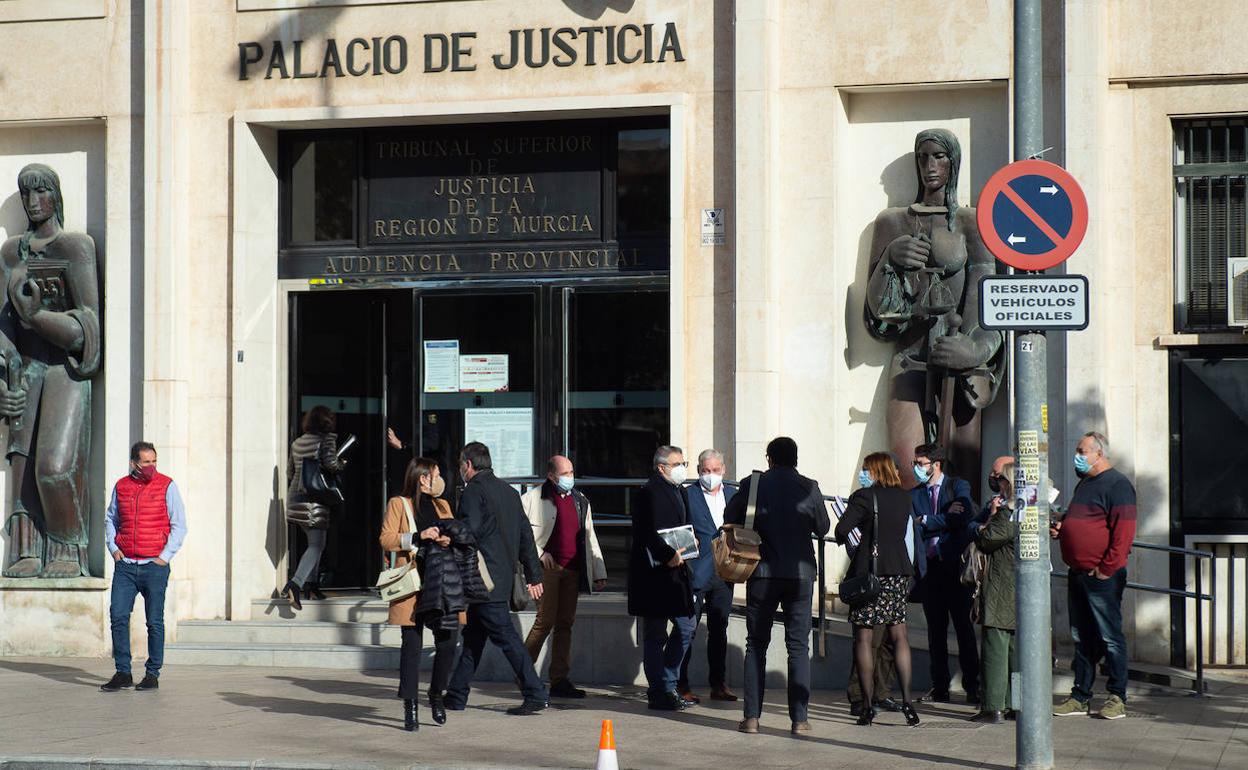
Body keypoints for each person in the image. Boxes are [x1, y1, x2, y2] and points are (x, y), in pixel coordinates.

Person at [1, 163, 103, 578]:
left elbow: (87, 328)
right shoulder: (11, 253)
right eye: (26, 193)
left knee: (54, 467)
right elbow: (3, 327)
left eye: (41, 191)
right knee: (22, 469)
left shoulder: (76, 247)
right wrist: (2, 380)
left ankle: (66, 547)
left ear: (55, 196)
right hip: (27, 368)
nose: (32, 201)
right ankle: (27, 550)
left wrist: (37, 316)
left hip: (65, 369)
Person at [725, 437, 831, 735]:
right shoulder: (810, 486)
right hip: (800, 575)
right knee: (798, 646)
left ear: (769, 458)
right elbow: (823, 527)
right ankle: (800, 720)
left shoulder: (753, 484)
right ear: (795, 459)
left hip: (763, 573)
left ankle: (751, 718)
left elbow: (729, 517)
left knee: (756, 644)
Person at [444, 442, 548, 716]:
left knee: (507, 639)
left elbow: (469, 530)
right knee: (473, 639)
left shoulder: (473, 491)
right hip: (501, 579)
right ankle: (456, 695)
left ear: (468, 464)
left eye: (460, 464)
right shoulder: (509, 492)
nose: (460, 470)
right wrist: (533, 574)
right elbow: (526, 535)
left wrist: (447, 532)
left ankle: (535, 692)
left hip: (483, 580)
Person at [380, 457, 484, 731]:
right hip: (413, 584)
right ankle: (410, 706)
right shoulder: (399, 503)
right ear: (423, 477)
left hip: (442, 583)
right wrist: (418, 536)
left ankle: (436, 693)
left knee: (447, 643)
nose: (440, 480)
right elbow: (386, 538)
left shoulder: (442, 505)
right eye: (436, 474)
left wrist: (449, 538)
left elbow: (455, 535)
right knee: (411, 647)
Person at [1051, 431, 1137, 721]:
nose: (1077, 456)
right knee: (1082, 638)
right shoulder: (1085, 483)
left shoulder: (1118, 485)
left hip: (1101, 577)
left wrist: (1105, 569)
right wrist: (1063, 529)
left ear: (1099, 454)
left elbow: (1123, 534)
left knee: (1110, 637)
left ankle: (1117, 696)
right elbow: (1084, 522)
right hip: (1078, 573)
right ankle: (1080, 696)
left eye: (1082, 451)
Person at [836, 452, 920, 727]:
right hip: (898, 571)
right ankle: (908, 702)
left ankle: (867, 706)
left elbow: (842, 530)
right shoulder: (904, 497)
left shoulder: (864, 496)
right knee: (899, 636)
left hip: (871, 574)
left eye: (865, 469)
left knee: (864, 638)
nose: (863, 473)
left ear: (874, 470)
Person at [100, 442, 187, 692]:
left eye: (154, 461)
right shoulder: (121, 486)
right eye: (146, 462)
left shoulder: (167, 485)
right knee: (118, 616)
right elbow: (111, 519)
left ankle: (152, 674)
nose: (151, 466)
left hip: (154, 566)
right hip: (126, 565)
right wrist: (114, 549)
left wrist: (164, 557)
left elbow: (179, 524)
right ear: (134, 463)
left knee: (154, 621)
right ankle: (123, 672)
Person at [522, 454, 608, 699]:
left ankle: (559, 679)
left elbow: (590, 536)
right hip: (547, 570)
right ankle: (523, 672)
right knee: (544, 621)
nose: (570, 477)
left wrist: (599, 571)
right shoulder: (531, 499)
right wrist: (540, 553)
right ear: (551, 476)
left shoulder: (580, 500)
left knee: (565, 623)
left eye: (571, 472)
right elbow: (521, 534)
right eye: (565, 473)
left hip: (573, 568)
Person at [627, 445, 697, 712]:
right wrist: (667, 554)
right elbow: (645, 532)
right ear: (661, 467)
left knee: (687, 627)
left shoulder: (681, 491)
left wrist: (692, 543)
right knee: (655, 634)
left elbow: (686, 525)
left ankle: (668, 683)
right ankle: (659, 691)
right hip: (654, 574)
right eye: (677, 464)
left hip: (678, 574)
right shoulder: (647, 493)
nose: (682, 469)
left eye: (683, 464)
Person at [911, 442, 979, 703]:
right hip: (930, 569)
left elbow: (962, 517)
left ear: (936, 465)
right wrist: (943, 520)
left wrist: (928, 520)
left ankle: (973, 686)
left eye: (920, 464)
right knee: (935, 631)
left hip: (956, 568)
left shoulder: (957, 487)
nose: (916, 468)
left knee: (963, 627)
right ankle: (940, 686)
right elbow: (914, 526)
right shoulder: (914, 494)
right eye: (915, 463)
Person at [677, 449, 738, 703]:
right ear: (698, 470)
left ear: (723, 469)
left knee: (719, 629)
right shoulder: (687, 494)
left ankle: (718, 684)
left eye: (714, 470)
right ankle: (681, 684)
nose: (710, 475)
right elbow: (680, 529)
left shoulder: (733, 495)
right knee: (686, 630)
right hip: (695, 573)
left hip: (724, 573)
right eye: (705, 471)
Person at [283, 405, 345, 609]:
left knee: (314, 543)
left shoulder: (297, 442)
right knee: (316, 545)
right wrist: (342, 463)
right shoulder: (326, 440)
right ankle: (295, 584)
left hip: (295, 498)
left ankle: (312, 586)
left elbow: (290, 472)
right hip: (314, 499)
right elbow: (331, 465)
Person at [972, 458, 1017, 723]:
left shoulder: (1007, 514)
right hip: (1019, 590)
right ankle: (1017, 704)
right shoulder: (1028, 511)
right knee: (1015, 653)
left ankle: (993, 706)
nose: (996, 482)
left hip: (1001, 587)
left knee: (995, 649)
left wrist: (987, 520)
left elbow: (987, 540)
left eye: (1000, 478)